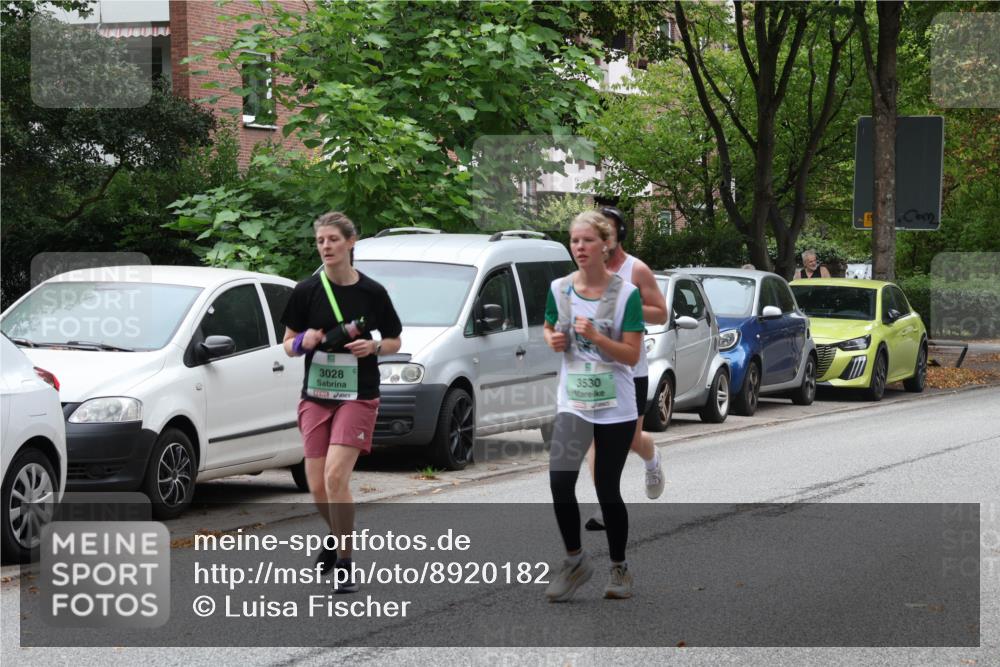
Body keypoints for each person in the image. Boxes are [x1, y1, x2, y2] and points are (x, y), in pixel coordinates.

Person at [281, 211, 402, 594]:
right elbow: (287, 345)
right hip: (317, 394)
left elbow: (395, 340)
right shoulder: (306, 291)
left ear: (351, 242)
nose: (326, 246)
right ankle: (336, 537)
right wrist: (303, 342)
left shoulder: (372, 292)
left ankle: (346, 564)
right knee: (317, 486)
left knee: (336, 477)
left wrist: (374, 346)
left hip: (358, 394)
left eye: (333, 239)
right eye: (320, 241)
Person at [543, 210, 645, 602]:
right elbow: (549, 326)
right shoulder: (559, 289)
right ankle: (575, 561)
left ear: (606, 245)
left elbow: (632, 354)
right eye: (574, 240)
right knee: (560, 481)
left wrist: (599, 338)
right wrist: (552, 338)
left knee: (606, 487)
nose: (580, 247)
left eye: (588, 240)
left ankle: (619, 567)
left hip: (615, 406)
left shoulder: (626, 294)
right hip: (574, 401)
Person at [585, 206, 668, 534]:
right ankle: (606, 505)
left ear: (619, 234)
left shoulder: (637, 270)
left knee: (630, 440)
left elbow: (660, 313)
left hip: (631, 371)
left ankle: (652, 459)